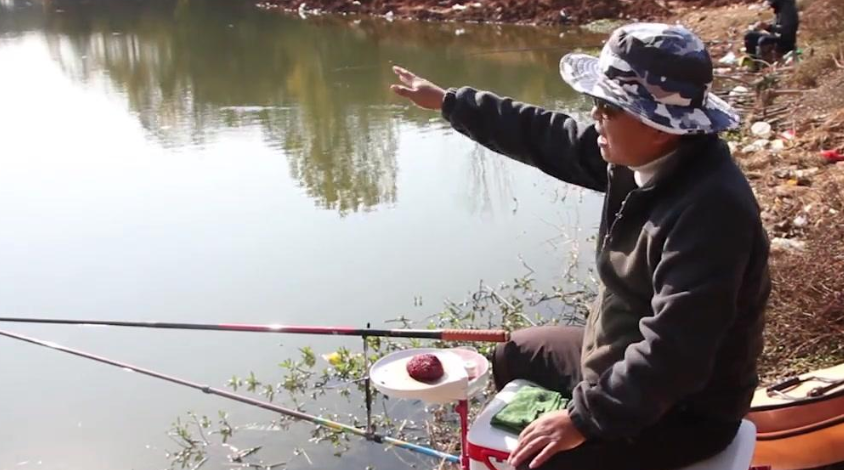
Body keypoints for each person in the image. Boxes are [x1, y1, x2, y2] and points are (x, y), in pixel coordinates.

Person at [390, 23, 771, 470]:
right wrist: (451, 103)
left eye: (607, 107)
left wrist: (582, 421)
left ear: (659, 126)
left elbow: (675, 353)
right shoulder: (641, 155)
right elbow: (549, 136)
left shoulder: (711, 212)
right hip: (613, 356)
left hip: (684, 409)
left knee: (538, 461)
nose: (594, 115)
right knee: (517, 352)